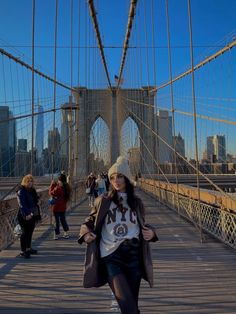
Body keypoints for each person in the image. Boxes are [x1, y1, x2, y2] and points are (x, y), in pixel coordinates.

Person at [78, 156, 158, 314]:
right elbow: (89, 221)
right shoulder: (103, 201)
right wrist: (86, 233)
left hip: (134, 255)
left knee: (132, 304)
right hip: (111, 255)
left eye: (120, 176)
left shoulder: (137, 202)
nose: (116, 180)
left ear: (127, 178)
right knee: (128, 306)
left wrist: (152, 232)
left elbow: (142, 224)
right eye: (112, 177)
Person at [16, 174, 40, 259]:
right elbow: (22, 205)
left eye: (31, 181)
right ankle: (23, 251)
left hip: (32, 214)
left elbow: (34, 202)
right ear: (25, 182)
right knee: (24, 232)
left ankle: (28, 248)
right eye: (28, 181)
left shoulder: (32, 190)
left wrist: (32, 213)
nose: (30, 183)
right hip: (23, 215)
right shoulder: (21, 191)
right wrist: (27, 214)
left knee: (30, 231)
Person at [49, 173, 71, 240]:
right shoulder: (67, 187)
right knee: (63, 220)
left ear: (60, 180)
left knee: (56, 221)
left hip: (56, 207)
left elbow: (51, 193)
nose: (58, 181)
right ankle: (66, 233)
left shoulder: (58, 188)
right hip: (63, 207)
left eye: (58, 180)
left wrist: (52, 185)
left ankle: (56, 235)